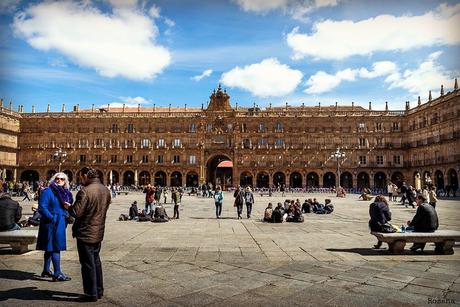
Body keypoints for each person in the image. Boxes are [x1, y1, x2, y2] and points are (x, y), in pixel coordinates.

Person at [66, 167, 111, 302]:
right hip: (98, 231)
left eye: (81, 177)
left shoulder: (84, 191)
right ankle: (98, 290)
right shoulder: (106, 190)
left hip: (86, 232)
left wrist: (68, 206)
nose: (80, 180)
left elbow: (77, 212)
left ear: (86, 176)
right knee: (96, 261)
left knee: (87, 264)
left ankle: (90, 294)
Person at [36, 172, 72, 281]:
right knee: (56, 247)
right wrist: (51, 218)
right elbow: (42, 207)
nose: (59, 180)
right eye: (57, 178)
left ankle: (46, 270)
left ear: (65, 181)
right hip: (51, 222)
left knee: (49, 247)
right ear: (53, 179)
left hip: (60, 220)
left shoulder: (66, 193)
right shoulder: (48, 191)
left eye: (62, 179)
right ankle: (57, 273)